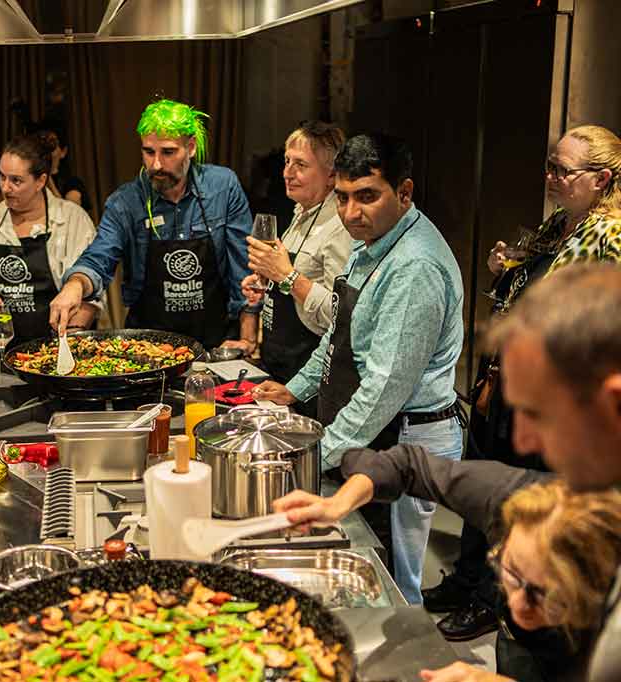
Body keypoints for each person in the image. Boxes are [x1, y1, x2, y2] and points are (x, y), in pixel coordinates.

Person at [276, 263, 621, 682]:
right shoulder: (572, 494)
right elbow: (409, 464)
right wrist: (338, 504)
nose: (524, 440)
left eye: (536, 413)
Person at [425, 124, 621, 641]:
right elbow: (527, 291)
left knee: (517, 494)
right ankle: (467, 581)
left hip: (554, 391)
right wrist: (504, 270)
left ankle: (493, 599)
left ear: (601, 179)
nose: (551, 177)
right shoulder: (560, 222)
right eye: (550, 165)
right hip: (506, 378)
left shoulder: (612, 237)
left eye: (563, 170)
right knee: (484, 475)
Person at [252, 133, 465, 604]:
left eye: (367, 196)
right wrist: (295, 389)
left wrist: (316, 458)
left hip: (405, 440)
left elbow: (384, 388)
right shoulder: (372, 240)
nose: (351, 212)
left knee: (390, 587)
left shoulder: (414, 267)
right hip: (373, 434)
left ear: (404, 192)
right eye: (343, 198)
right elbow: (342, 331)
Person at [49, 98, 257, 350]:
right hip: (148, 344)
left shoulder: (223, 187)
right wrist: (74, 285)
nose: (156, 164)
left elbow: (243, 268)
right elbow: (99, 258)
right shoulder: (125, 202)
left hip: (217, 338)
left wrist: (246, 339)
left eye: (168, 152)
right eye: (149, 152)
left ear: (190, 148)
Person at [240, 121, 353, 416]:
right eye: (287, 162)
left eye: (301, 164)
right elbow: (289, 282)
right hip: (278, 365)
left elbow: (341, 316)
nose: (288, 172)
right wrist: (265, 284)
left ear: (331, 175)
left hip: (311, 377)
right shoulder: (300, 212)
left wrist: (286, 277)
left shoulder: (340, 227)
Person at [0, 134, 100, 357]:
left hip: (57, 350)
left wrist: (69, 346)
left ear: (41, 181)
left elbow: (90, 294)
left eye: (16, 180)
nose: (6, 188)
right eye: (2, 177)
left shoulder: (73, 220)